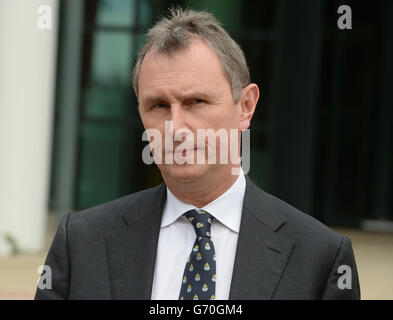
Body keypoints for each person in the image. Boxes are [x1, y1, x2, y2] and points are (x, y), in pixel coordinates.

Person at [35, 8, 360, 300]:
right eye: (159, 105)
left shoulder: (319, 259)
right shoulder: (80, 244)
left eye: (196, 102)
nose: (176, 127)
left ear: (246, 107)